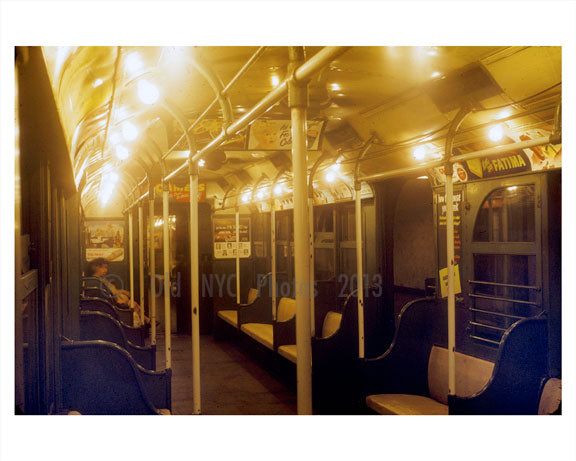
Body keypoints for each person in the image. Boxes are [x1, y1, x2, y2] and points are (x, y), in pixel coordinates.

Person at [87, 257, 150, 327]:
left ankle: (146, 320)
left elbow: (113, 290)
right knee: (133, 304)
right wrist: (121, 300)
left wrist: (123, 292)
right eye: (103, 268)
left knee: (133, 303)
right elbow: (110, 293)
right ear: (96, 267)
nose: (106, 270)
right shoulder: (97, 281)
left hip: (112, 301)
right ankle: (145, 321)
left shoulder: (102, 280)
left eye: (106, 268)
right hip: (112, 303)